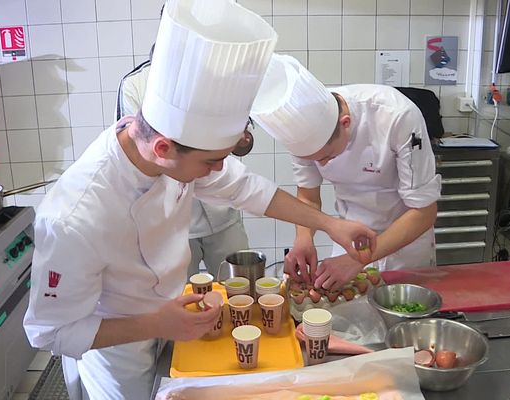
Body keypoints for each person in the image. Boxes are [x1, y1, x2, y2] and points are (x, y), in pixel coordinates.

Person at [23, 3, 375, 400]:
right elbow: (48, 332)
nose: (218, 170)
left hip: (174, 317)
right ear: (163, 147)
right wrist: (157, 324)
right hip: (118, 345)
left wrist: (330, 224)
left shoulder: (168, 156)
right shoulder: (74, 217)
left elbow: (249, 190)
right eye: (211, 162)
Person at [252, 54, 441, 291]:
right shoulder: (303, 128)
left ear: (345, 123)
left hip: (405, 243)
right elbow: (308, 197)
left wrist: (358, 259)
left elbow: (424, 212)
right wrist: (304, 238)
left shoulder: (397, 116)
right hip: (349, 239)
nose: (321, 163)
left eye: (326, 157)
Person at [115, 48, 250, 279]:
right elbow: (142, 151)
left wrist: (237, 140)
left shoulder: (215, 80)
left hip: (223, 213)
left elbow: (246, 152)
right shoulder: (135, 84)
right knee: (179, 296)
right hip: (172, 220)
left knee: (242, 288)